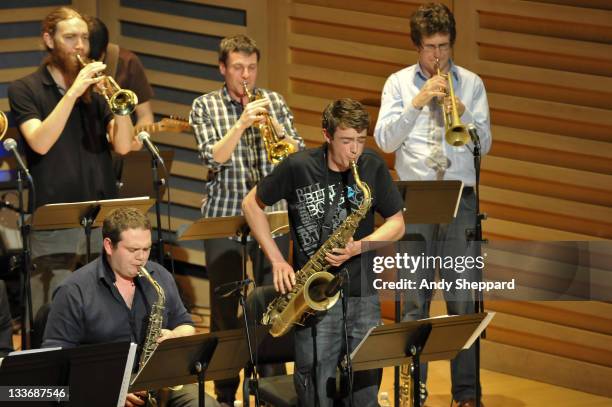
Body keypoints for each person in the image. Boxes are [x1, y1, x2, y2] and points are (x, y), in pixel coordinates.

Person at [243, 98, 405, 407]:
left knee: (366, 388)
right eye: (346, 141)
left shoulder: (371, 166)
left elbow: (397, 224)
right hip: (313, 296)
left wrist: (359, 246)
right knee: (316, 388)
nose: (354, 150)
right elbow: (251, 204)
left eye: (360, 140)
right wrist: (276, 260)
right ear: (327, 136)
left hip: (362, 293)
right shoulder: (299, 166)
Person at [373, 3, 492, 407]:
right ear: (416, 47)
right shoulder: (398, 84)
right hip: (416, 202)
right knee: (413, 304)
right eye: (429, 47)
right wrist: (418, 102)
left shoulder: (472, 84)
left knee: (463, 302)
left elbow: (485, 145)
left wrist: (463, 112)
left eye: (443, 46)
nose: (437, 55)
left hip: (461, 200)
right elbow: (385, 142)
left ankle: (466, 395)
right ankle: (412, 393)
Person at [189, 34, 304, 405]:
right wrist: (240, 124)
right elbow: (213, 158)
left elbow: (295, 152)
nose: (246, 76)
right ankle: (224, 395)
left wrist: (279, 131)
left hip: (272, 218)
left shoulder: (274, 101)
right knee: (225, 311)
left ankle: (273, 390)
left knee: (276, 304)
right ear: (223, 68)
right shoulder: (204, 106)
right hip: (224, 217)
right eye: (238, 67)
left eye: (251, 68)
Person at [7, 7, 140, 318]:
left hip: (101, 220)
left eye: (83, 38)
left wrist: (119, 108)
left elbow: (122, 146)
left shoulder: (95, 93)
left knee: (105, 313)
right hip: (55, 223)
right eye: (70, 37)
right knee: (51, 314)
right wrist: (72, 94)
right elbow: (39, 141)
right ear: (49, 40)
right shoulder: (25, 88)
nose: (80, 45)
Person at [42, 207, 218, 407]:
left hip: (159, 381)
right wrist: (110, 387)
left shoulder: (159, 276)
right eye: (133, 250)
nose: (142, 258)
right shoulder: (74, 291)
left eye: (146, 249)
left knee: (206, 404)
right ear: (109, 246)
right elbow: (55, 362)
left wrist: (174, 336)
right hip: (101, 387)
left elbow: (186, 324)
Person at [87, 16, 154, 127]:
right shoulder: (66, 63)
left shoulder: (127, 62)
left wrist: (135, 139)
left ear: (105, 49)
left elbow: (145, 116)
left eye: (97, 59)